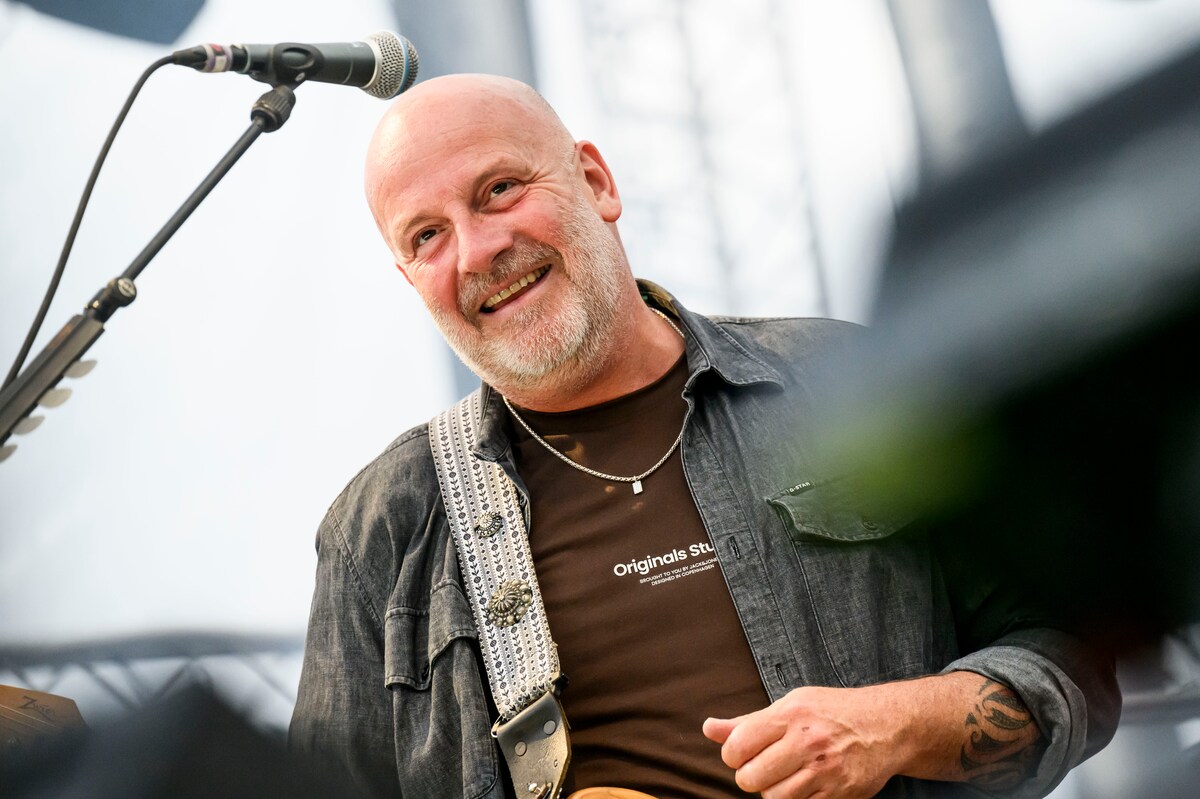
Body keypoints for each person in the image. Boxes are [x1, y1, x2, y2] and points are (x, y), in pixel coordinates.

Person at [289, 73, 1120, 799]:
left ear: (595, 181)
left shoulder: (849, 378)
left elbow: (1075, 655)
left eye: (499, 189)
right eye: (426, 236)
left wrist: (894, 726)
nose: (477, 251)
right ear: (408, 276)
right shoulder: (382, 526)